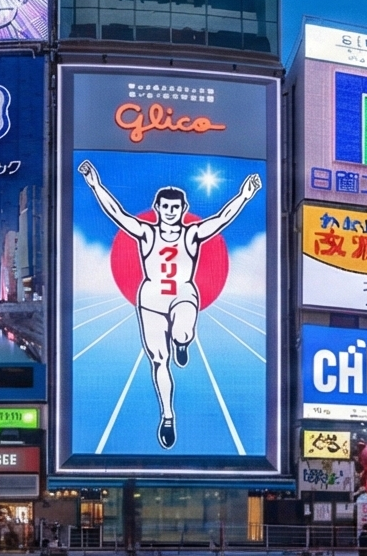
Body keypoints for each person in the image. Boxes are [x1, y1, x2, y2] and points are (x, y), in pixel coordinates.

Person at [76, 157, 262, 450]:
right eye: (166, 207)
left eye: (176, 208)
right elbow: (117, 213)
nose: (171, 212)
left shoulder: (192, 233)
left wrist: (244, 195)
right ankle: (167, 415)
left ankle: (183, 342)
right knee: (159, 360)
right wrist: (94, 184)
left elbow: (222, 218)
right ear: (158, 209)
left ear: (183, 210)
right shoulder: (146, 232)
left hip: (184, 296)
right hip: (150, 301)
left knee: (183, 332)